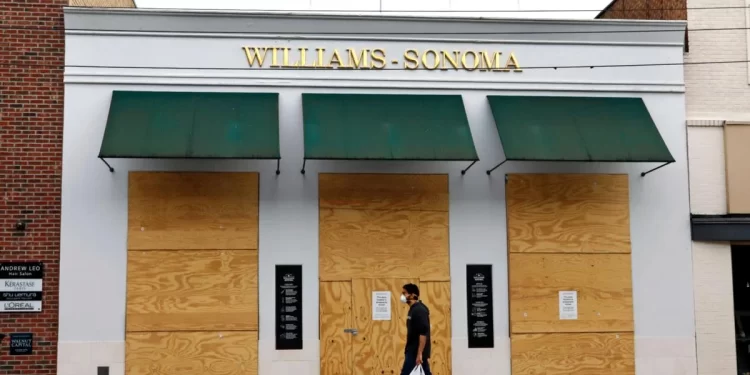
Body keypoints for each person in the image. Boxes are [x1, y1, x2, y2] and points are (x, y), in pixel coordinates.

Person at [400, 283, 432, 375]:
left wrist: (419, 354)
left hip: (415, 352)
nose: (402, 296)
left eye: (404, 293)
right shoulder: (413, 309)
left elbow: (423, 333)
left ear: (413, 295)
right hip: (412, 350)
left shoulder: (419, 310)